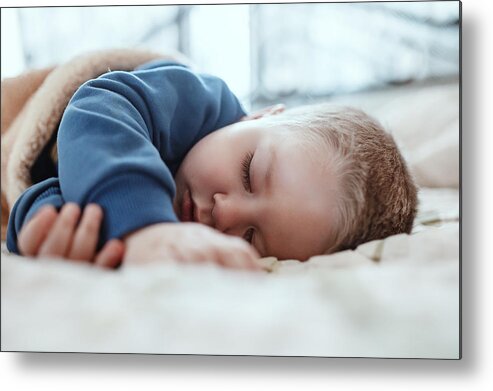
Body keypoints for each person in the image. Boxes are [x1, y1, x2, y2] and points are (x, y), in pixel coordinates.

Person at [6, 60, 418, 270]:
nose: (226, 212)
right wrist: (144, 227)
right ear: (259, 117)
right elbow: (99, 107)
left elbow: (48, 186)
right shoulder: (199, 99)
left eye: (252, 237)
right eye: (248, 173)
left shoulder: (185, 242)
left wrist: (60, 229)